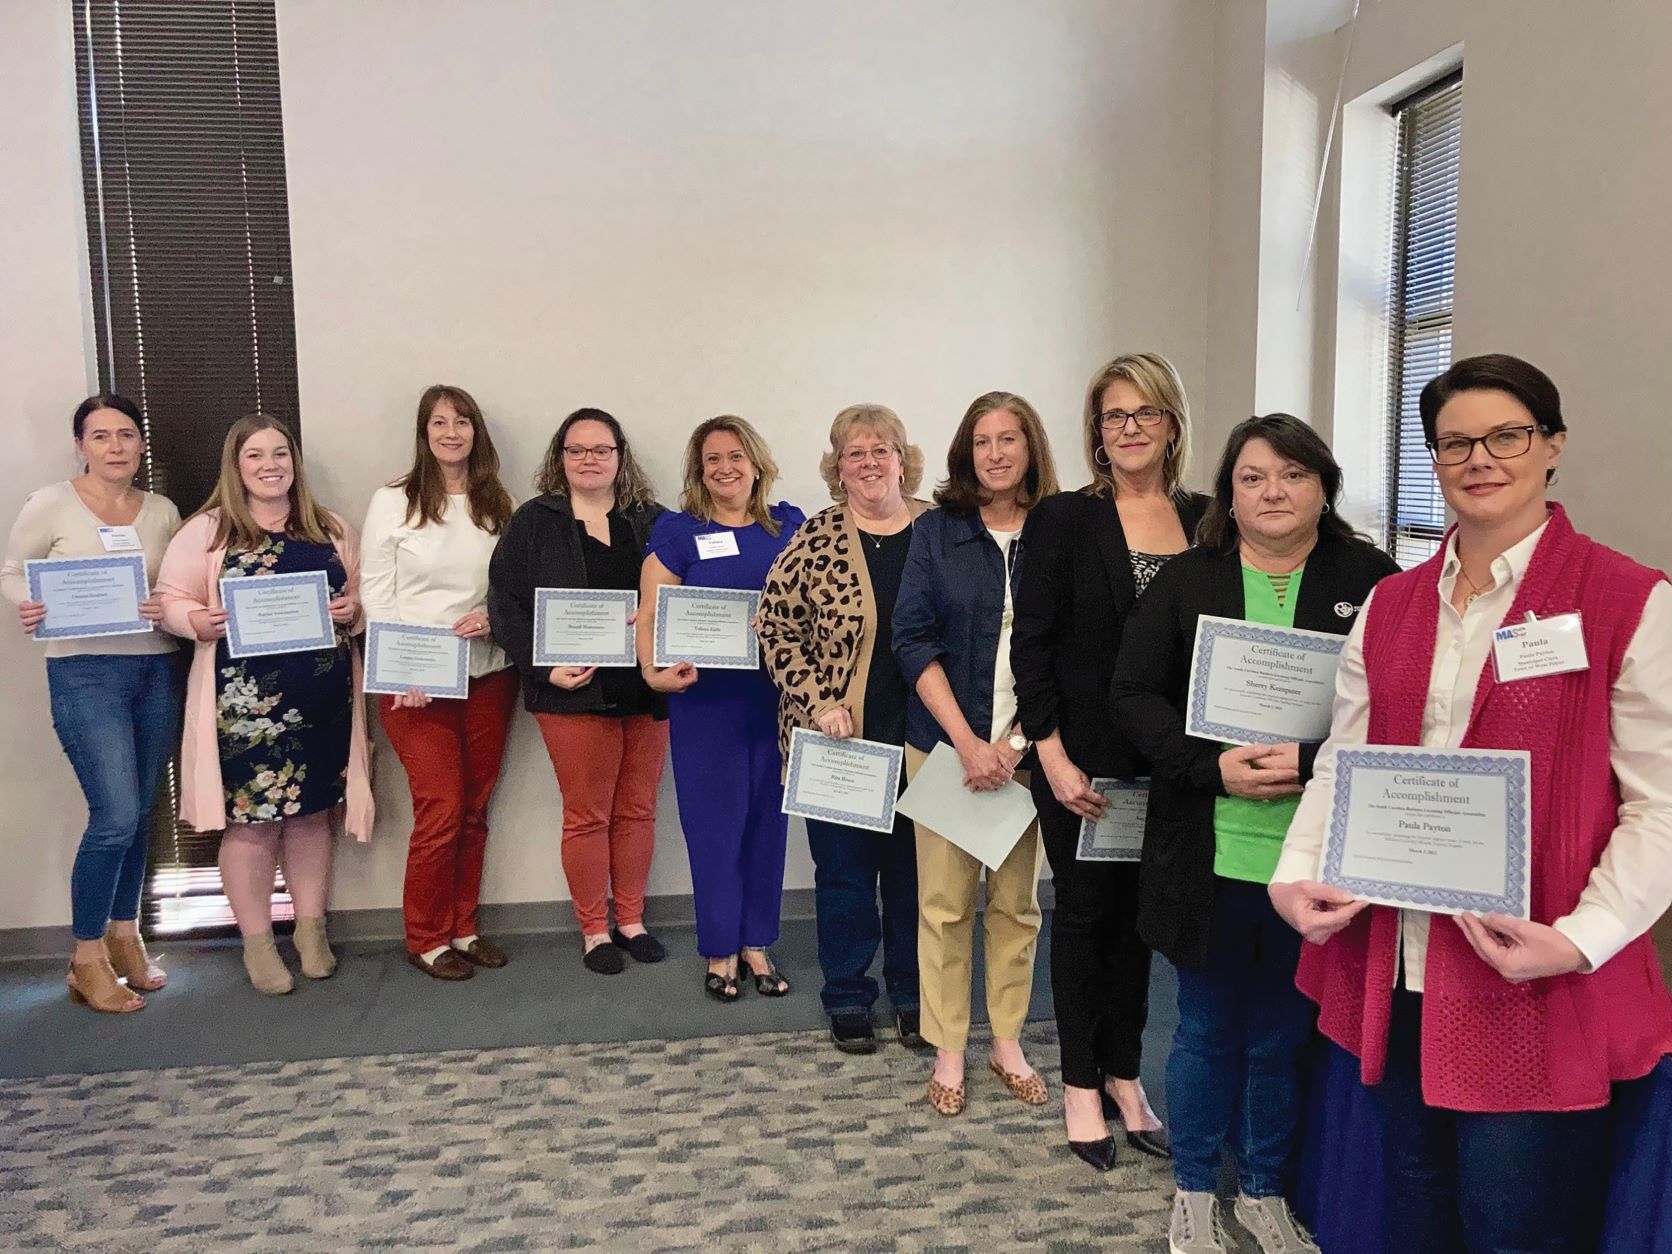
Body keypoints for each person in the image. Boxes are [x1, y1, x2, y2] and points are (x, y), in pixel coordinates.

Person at [1270, 355, 1672, 1254]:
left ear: (1552, 446)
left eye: (1507, 436)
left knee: (1512, 1222)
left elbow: (1662, 805)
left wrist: (1582, 937)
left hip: (1534, 973)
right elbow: (1346, 760)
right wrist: (1295, 874)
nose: (1479, 458)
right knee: (1414, 1202)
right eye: (1455, 443)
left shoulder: (1629, 600)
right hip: (1402, 961)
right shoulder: (1391, 603)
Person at [1111, 414, 1397, 1254]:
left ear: (1324, 488)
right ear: (1227, 495)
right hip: (1211, 851)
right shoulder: (1187, 580)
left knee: (1282, 1035)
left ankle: (1266, 1189)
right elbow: (1132, 695)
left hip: (1320, 856)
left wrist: (1311, 760)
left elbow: (1399, 707)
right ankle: (1196, 1191)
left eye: (1293, 475)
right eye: (1253, 477)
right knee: (1206, 1029)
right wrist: (1211, 768)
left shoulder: (1374, 581)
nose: (1273, 492)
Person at [1011, 353, 1206, 1169]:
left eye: (1144, 413)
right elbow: (1032, 646)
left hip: (1171, 766)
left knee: (1142, 923)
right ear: (1096, 430)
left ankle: (1126, 1074)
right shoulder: (1063, 518)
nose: (1129, 429)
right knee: (1087, 917)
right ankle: (1082, 1086)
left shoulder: (1207, 519)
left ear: (1171, 423)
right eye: (1113, 415)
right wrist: (1050, 755)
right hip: (1082, 766)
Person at [156, 414, 373, 995]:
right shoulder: (207, 531)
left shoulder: (328, 526)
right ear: (236, 466)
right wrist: (195, 619)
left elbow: (363, 593)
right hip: (244, 711)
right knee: (251, 826)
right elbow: (170, 598)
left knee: (311, 816)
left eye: (280, 453)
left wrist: (354, 610)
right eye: (255, 455)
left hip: (323, 701)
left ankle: (310, 931)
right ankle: (257, 943)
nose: (270, 465)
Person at [893, 391, 1060, 1116]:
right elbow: (911, 638)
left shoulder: (1057, 531)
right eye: (982, 440)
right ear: (967, 451)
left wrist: (1012, 744)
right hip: (942, 749)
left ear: (1030, 447)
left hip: (1028, 751)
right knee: (944, 905)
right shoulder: (936, 532)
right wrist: (967, 743)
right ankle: (950, 1047)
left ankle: (1008, 1041)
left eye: (1009, 438)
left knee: (1017, 905)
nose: (995, 453)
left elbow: (1070, 647)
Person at [758, 404, 930, 1052]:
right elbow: (775, 627)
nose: (868, 462)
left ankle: (914, 995)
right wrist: (818, 702)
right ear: (837, 467)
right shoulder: (815, 538)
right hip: (840, 741)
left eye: (881, 449)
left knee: (916, 878)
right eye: (854, 452)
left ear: (902, 459)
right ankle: (849, 996)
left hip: (924, 739)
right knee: (844, 879)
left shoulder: (940, 533)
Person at [2, 394, 182, 1012]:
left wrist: (165, 603)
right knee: (114, 815)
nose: (115, 447)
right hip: (83, 672)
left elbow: (174, 584)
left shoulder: (161, 511)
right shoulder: (50, 503)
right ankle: (85, 957)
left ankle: (125, 936)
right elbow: (12, 571)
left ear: (141, 443)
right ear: (80, 445)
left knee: (142, 812)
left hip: (154, 668)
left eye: (126, 434)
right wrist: (29, 604)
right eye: (101, 436)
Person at [488, 408, 669, 975]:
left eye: (601, 449)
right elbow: (505, 604)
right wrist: (545, 668)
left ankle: (631, 920)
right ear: (560, 458)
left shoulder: (652, 520)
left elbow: (683, 593)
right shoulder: (534, 521)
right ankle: (594, 930)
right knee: (587, 815)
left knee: (638, 810)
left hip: (646, 687)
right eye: (577, 450)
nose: (589, 459)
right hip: (573, 691)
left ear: (620, 456)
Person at [639, 416, 804, 1000]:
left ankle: (757, 941)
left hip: (777, 702)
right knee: (714, 827)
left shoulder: (789, 526)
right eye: (713, 459)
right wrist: (652, 672)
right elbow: (651, 609)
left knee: (768, 824)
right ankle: (719, 946)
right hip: (706, 703)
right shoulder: (680, 531)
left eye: (736, 456)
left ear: (756, 463)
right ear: (699, 470)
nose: (725, 468)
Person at [361, 385, 518, 981]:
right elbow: (376, 592)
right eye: (439, 422)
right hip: (415, 683)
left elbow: (511, 585)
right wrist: (398, 669)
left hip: (489, 672)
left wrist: (495, 619)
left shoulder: (497, 502)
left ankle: (463, 927)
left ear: (477, 431)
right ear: (423, 433)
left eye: (462, 422)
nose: (452, 433)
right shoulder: (393, 501)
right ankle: (425, 937)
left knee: (474, 809)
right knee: (442, 809)